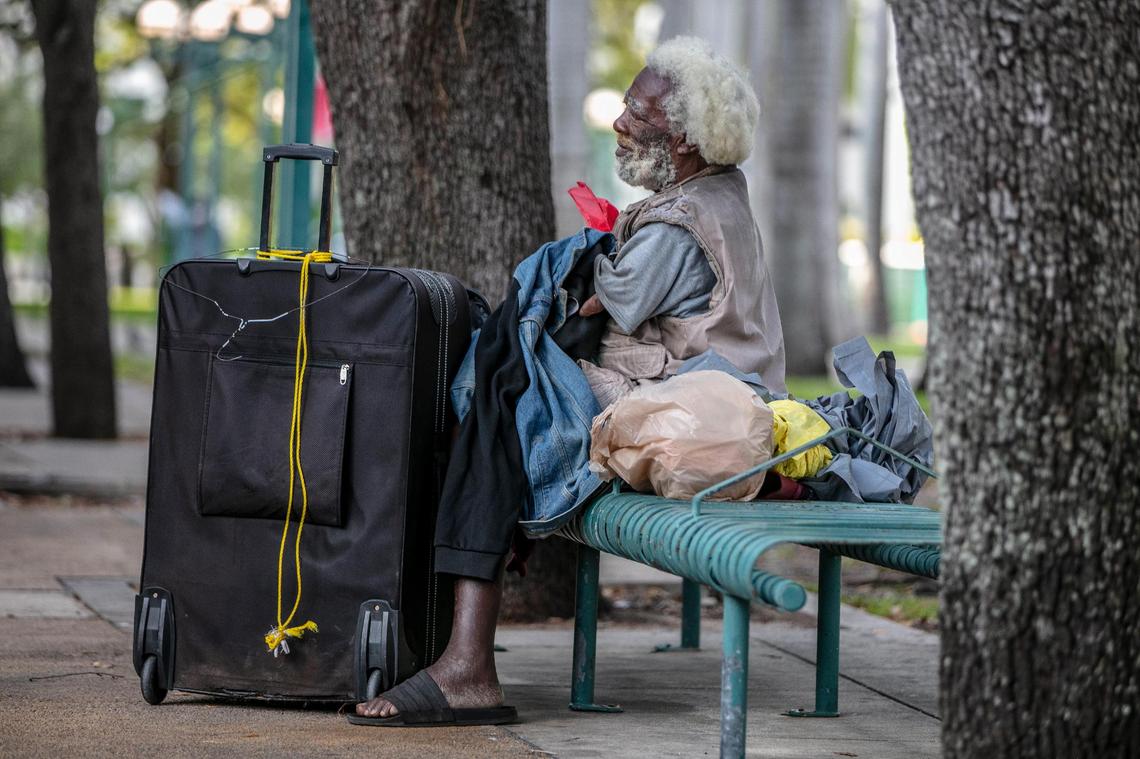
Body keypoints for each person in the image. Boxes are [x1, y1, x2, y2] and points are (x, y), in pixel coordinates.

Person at [350, 36, 785, 726]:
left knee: (498, 376)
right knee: (499, 376)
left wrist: (576, 278)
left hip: (690, 413)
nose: (620, 125)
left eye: (637, 117)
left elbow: (603, 301)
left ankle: (465, 661)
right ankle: (461, 653)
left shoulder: (681, 222)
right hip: (696, 397)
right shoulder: (715, 192)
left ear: (683, 141)